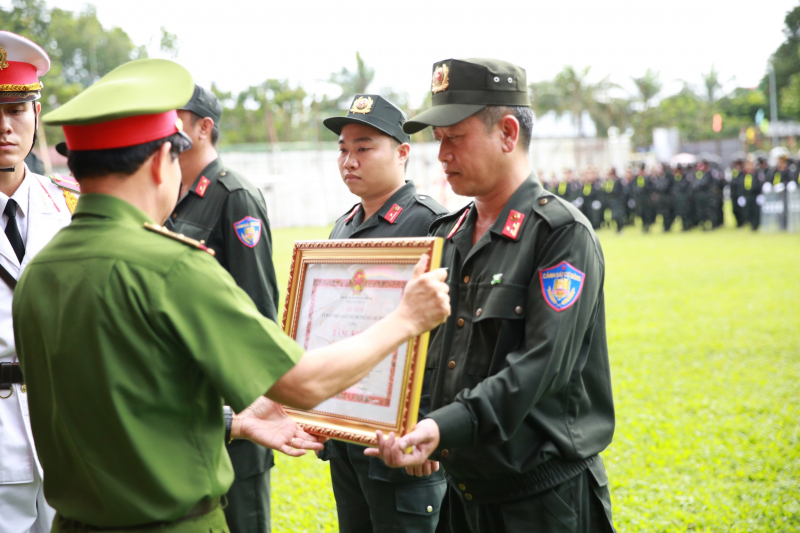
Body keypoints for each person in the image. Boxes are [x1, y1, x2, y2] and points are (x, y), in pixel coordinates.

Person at [14, 58, 451, 533]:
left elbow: (125, 406)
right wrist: (405, 318)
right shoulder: (172, 266)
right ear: (163, 160)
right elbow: (301, 384)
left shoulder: (39, 271)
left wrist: (237, 422)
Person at [367, 58, 616, 533]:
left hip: (542, 501)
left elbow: (541, 365)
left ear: (506, 132)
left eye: (454, 138)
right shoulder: (449, 235)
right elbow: (428, 352)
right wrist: (417, 422)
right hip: (463, 495)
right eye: (437, 141)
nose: (441, 155)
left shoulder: (558, 233)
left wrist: (442, 427)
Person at [318, 94, 449, 533]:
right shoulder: (343, 227)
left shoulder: (432, 226)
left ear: (403, 152)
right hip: (347, 435)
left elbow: (451, 341)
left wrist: (431, 426)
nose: (349, 160)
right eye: (342, 148)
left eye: (364, 147)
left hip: (405, 439)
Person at [166, 84, 278, 533]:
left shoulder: (235, 197)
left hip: (238, 410)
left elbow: (258, 310)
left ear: (203, 128)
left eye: (172, 120)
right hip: (186, 406)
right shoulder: (168, 192)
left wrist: (250, 407)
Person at [0, 30, 80, 533]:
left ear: (36, 115)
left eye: (16, 109)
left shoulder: (74, 206)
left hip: (64, 432)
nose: (4, 126)